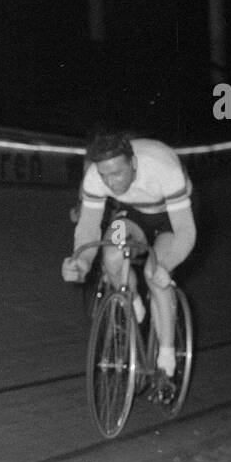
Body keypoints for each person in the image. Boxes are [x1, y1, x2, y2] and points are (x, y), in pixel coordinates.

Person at [61, 130, 196, 383]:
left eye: (118, 173)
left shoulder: (163, 168)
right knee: (111, 252)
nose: (111, 182)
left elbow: (185, 231)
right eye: (104, 175)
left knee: (154, 274)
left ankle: (166, 359)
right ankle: (132, 301)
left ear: (133, 163)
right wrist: (81, 261)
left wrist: (168, 264)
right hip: (133, 214)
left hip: (172, 218)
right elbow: (89, 228)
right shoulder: (95, 178)